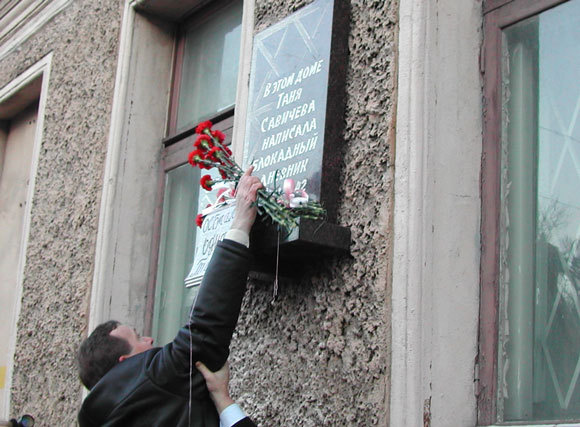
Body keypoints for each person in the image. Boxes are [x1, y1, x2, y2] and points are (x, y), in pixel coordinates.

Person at [77, 167, 262, 426]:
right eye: (138, 338)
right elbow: (203, 333)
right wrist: (240, 223)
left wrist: (222, 399)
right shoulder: (152, 379)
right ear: (125, 365)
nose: (150, 338)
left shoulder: (125, 413)